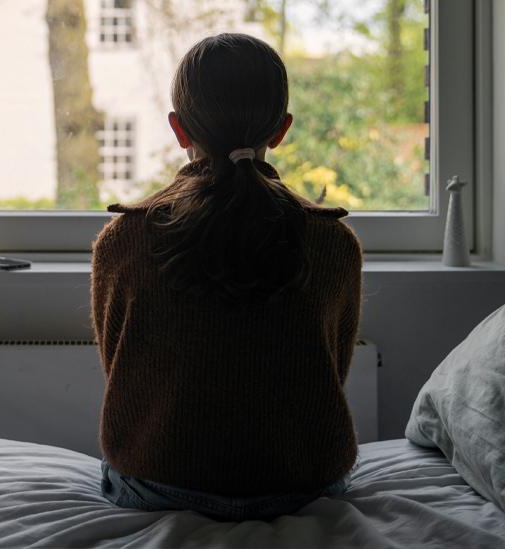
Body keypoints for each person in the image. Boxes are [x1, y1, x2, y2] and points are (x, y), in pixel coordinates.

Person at [90, 33, 362, 522]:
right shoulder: (334, 244)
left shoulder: (124, 240)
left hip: (158, 484)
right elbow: (329, 375)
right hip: (299, 487)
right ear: (281, 130)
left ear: (178, 129)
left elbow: (124, 373)